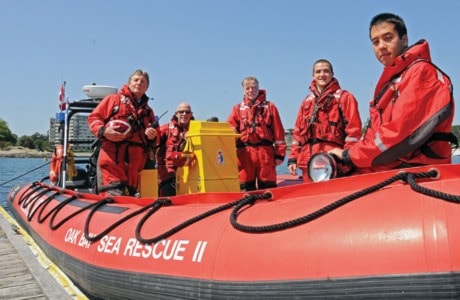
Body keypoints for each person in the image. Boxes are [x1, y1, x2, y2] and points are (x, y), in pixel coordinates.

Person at [329, 13, 455, 172]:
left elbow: (399, 134)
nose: (381, 46)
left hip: (418, 172)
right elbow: (376, 134)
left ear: (404, 39)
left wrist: (350, 155)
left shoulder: (422, 73)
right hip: (391, 169)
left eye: (388, 38)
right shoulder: (394, 81)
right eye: (375, 42)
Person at [287, 59, 362, 181]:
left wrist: (345, 156)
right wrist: (293, 158)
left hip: (334, 161)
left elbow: (354, 131)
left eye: (326, 71)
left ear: (332, 74)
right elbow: (298, 133)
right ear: (313, 75)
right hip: (309, 162)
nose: (322, 75)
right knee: (311, 197)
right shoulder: (306, 102)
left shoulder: (345, 98)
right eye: (318, 72)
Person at [88, 69, 159, 196]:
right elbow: (94, 118)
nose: (138, 83)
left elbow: (155, 138)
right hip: (112, 160)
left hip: (135, 165)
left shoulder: (148, 111)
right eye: (135, 80)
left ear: (147, 87)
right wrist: (104, 131)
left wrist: (152, 136)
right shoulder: (113, 100)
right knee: (114, 198)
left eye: (142, 81)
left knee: (130, 198)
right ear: (129, 83)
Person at [227, 76, 286, 191]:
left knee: (268, 188)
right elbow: (230, 126)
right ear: (243, 90)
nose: (251, 91)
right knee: (244, 188)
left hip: (265, 154)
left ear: (258, 88)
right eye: (247, 88)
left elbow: (279, 132)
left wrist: (280, 154)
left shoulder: (270, 107)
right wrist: (232, 130)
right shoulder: (237, 109)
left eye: (253, 87)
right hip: (245, 154)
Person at [157, 102, 195, 196]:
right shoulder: (166, 128)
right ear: (176, 114)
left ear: (191, 114)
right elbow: (153, 141)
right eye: (181, 112)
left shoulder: (196, 129)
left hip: (191, 175)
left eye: (187, 112)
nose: (184, 114)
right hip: (168, 175)